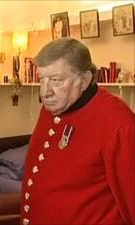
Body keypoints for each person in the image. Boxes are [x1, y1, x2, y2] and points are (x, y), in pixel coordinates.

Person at [21, 38, 135, 225]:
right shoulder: (54, 106)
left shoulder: (119, 124)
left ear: (84, 80)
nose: (44, 92)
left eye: (56, 80)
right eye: (42, 79)